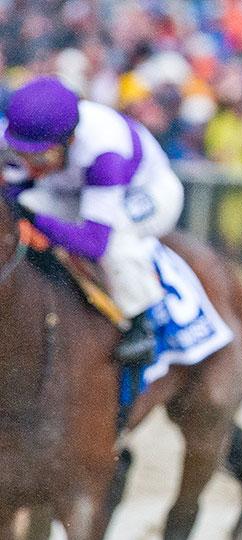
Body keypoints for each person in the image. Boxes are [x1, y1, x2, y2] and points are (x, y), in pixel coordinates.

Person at [1, 76, 185, 366]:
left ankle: (141, 322)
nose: (27, 163)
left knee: (117, 241)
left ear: (69, 140)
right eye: (20, 153)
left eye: (37, 155)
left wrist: (35, 219)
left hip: (148, 191)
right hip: (77, 188)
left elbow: (94, 243)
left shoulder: (104, 154)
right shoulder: (31, 134)